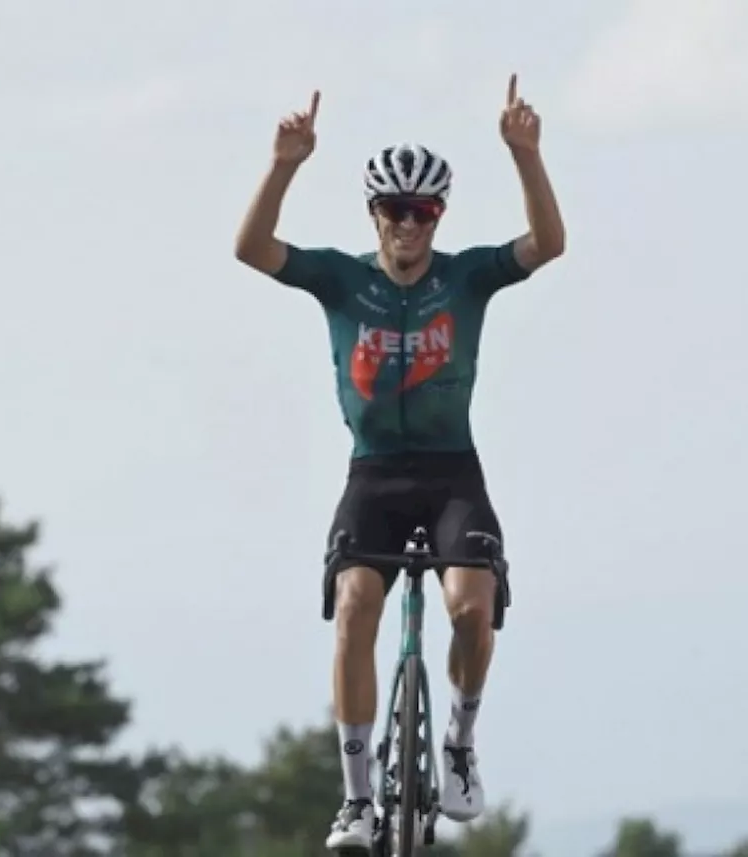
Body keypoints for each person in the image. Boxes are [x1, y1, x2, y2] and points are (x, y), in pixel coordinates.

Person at [233, 73, 565, 853]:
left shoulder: (468, 276)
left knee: (470, 610)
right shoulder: (341, 278)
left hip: (453, 473)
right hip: (373, 475)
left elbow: (547, 244)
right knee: (354, 608)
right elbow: (251, 249)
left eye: (423, 211)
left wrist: (526, 155)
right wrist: (284, 164)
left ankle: (458, 742)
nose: (408, 224)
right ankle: (355, 800)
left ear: (438, 216)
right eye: (394, 209)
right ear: (373, 213)